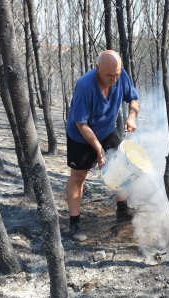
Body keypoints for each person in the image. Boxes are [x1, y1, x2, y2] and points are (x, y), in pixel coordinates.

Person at [66, 50, 140, 241]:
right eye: (109, 75)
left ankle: (122, 210)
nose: (114, 79)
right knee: (78, 176)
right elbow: (81, 123)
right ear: (97, 68)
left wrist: (132, 116)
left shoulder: (120, 74)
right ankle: (74, 224)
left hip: (107, 130)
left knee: (122, 166)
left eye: (116, 74)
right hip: (81, 136)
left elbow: (133, 98)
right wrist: (98, 149)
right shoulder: (85, 86)